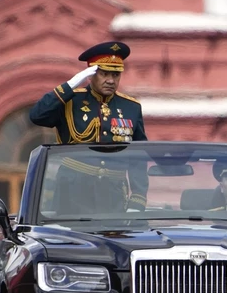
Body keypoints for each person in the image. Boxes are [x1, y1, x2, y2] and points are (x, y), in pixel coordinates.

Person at [29, 42, 149, 214]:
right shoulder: (70, 100)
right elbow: (37, 116)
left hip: (113, 194)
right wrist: (69, 86)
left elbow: (139, 156)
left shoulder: (131, 107)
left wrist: (137, 199)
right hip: (73, 191)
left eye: (115, 75)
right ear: (91, 75)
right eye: (104, 74)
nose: (110, 80)